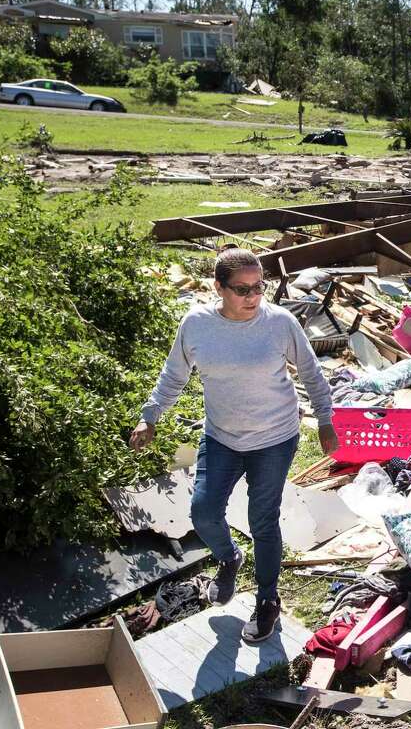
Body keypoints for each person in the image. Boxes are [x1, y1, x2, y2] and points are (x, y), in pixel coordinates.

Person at [130, 248, 339, 643]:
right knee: (204, 513)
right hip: (222, 437)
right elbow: (173, 375)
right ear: (219, 288)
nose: (253, 297)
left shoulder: (280, 323)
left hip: (275, 438)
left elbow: (311, 373)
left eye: (259, 287)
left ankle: (266, 601)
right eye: (241, 289)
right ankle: (228, 558)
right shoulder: (197, 325)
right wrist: (150, 416)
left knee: (263, 519)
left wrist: (325, 420)